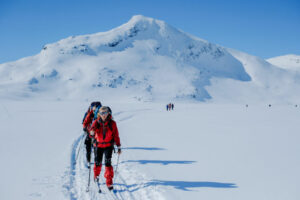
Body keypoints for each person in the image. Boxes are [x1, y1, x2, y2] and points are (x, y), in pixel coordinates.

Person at [90, 106, 121, 191]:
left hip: (108, 146)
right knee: (98, 162)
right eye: (102, 113)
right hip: (98, 146)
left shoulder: (112, 123)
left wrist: (118, 146)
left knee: (108, 163)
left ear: (108, 113)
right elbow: (91, 132)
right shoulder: (96, 122)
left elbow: (116, 135)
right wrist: (92, 133)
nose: (104, 115)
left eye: (105, 112)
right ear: (99, 114)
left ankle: (109, 182)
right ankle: (96, 176)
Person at [82, 101, 102, 167]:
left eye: (96, 107)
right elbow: (85, 122)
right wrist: (85, 127)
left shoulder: (100, 114)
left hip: (97, 133)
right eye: (94, 107)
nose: (95, 109)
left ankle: (96, 160)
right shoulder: (89, 114)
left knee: (96, 147)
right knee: (88, 145)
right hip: (90, 132)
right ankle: (88, 160)